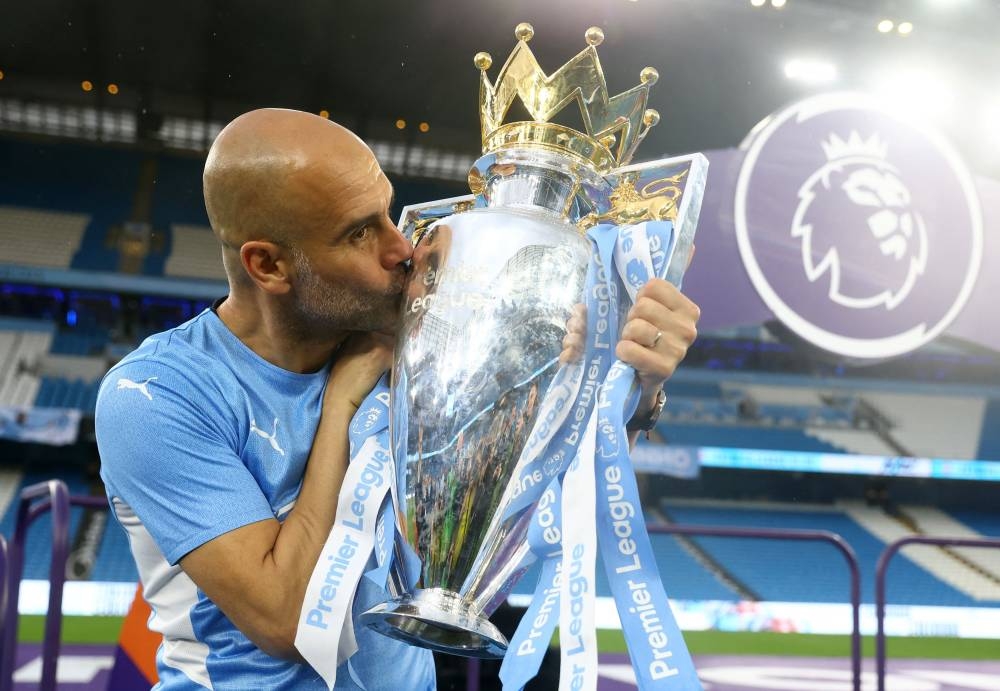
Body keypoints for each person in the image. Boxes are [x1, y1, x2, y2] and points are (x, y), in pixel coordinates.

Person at [95, 108, 700, 690]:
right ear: (269, 265)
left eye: (386, 213)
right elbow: (285, 621)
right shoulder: (155, 396)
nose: (402, 248)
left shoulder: (419, 342)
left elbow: (535, 488)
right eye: (360, 233)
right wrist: (340, 410)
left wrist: (631, 382)